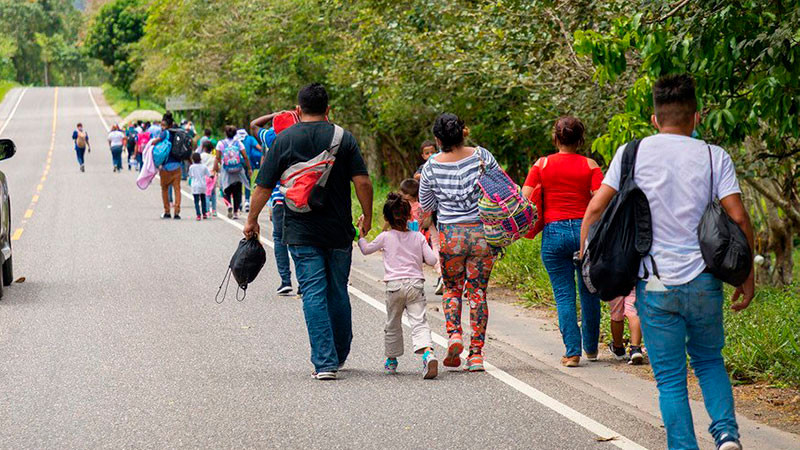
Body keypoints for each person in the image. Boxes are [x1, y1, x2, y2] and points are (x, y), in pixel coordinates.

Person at [580, 74, 755, 450]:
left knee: (671, 379)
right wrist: (747, 275)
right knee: (709, 360)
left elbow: (595, 209)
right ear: (696, 117)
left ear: (655, 119)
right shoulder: (713, 155)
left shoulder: (632, 152)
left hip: (654, 284)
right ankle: (726, 436)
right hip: (705, 280)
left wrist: (589, 263)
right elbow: (739, 218)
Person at [244, 83, 373, 381]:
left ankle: (325, 363)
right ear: (328, 109)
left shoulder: (284, 138)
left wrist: (252, 219)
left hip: (300, 229)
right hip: (339, 229)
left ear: (298, 110)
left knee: (313, 291)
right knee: (338, 290)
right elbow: (363, 182)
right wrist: (366, 215)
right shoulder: (344, 137)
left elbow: (263, 186)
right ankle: (339, 355)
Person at [419, 113, 499, 372]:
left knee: (452, 288)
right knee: (477, 292)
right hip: (481, 234)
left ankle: (454, 335)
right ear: (463, 132)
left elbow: (427, 207)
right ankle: (476, 354)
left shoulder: (431, 166)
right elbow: (501, 189)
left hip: (451, 235)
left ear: (437, 138)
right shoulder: (481, 156)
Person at [521, 116, 603, 368]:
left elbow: (525, 198)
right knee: (590, 289)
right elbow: (601, 201)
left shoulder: (541, 164)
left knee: (564, 294)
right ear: (580, 139)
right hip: (584, 231)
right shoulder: (590, 165)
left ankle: (572, 352)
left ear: (555, 138)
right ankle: (590, 348)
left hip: (554, 232)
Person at [357, 193, 439, 379]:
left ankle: (392, 360)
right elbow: (432, 260)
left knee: (393, 323)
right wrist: (431, 248)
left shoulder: (385, 237)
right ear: (410, 216)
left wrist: (361, 233)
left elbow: (365, 249)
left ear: (386, 218)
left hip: (394, 286)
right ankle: (428, 353)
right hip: (416, 285)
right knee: (419, 322)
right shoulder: (418, 237)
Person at [251, 110, 294, 295]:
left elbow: (254, 125)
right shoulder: (300, 137)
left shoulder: (271, 137)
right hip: (300, 198)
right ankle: (304, 281)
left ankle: (285, 280)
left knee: (279, 239)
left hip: (278, 198)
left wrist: (272, 114)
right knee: (299, 240)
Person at [400, 178, 442, 293]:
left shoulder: (406, 208)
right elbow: (428, 221)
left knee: (410, 263)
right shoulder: (424, 206)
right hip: (423, 238)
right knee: (434, 250)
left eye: (402, 192)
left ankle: (411, 286)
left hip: (409, 240)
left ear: (408, 195)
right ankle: (440, 273)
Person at [214, 125, 251, 219]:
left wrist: (216, 169)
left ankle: (229, 205)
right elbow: (245, 156)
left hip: (226, 170)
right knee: (237, 191)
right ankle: (235, 212)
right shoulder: (238, 143)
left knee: (225, 189)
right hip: (238, 170)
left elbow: (217, 157)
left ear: (225, 133)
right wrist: (249, 168)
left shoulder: (220, 143)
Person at [151, 112, 182, 219]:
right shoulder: (178, 132)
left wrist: (152, 143)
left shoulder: (165, 133)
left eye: (162, 125)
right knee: (177, 189)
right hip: (177, 165)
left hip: (166, 166)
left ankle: (167, 211)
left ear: (166, 125)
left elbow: (156, 142)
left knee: (164, 189)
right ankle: (177, 212)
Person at [607, 291, 645, 365]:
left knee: (616, 314)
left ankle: (618, 347)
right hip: (633, 280)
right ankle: (635, 349)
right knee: (633, 312)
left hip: (614, 283)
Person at [236, 128, 263, 213]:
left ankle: (239, 202)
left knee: (238, 182)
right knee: (247, 181)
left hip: (237, 164)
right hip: (248, 163)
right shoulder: (250, 138)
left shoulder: (235, 140)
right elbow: (259, 148)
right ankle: (247, 201)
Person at [188, 152, 210, 221]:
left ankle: (198, 215)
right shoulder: (204, 166)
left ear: (193, 159)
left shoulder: (191, 167)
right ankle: (204, 213)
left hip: (195, 185)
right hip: (202, 185)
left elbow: (191, 175)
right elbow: (208, 175)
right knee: (203, 199)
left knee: (196, 201)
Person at [200, 140, 218, 217]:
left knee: (206, 194)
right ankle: (214, 210)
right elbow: (217, 167)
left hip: (205, 176)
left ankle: (207, 210)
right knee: (213, 193)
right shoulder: (214, 157)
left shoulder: (201, 156)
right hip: (213, 175)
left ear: (203, 148)